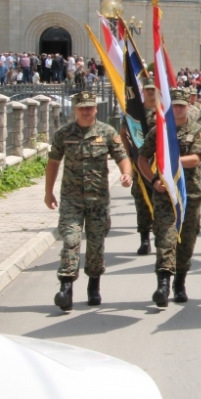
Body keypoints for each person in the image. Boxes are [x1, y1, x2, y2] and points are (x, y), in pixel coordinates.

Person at [44, 90, 133, 311]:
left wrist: (126, 174)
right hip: (71, 200)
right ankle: (66, 288)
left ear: (95, 109)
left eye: (89, 107)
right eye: (81, 108)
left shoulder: (107, 132)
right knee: (71, 241)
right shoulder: (64, 133)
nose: (85, 111)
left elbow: (122, 157)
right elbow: (53, 162)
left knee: (95, 245)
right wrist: (48, 192)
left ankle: (94, 286)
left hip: (98, 200)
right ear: (75, 109)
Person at [138, 88, 201, 307]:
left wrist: (170, 162)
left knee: (186, 241)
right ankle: (163, 285)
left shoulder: (197, 131)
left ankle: (180, 284)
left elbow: (196, 159)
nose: (177, 109)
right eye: (174, 105)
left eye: (181, 105)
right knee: (165, 239)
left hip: (189, 195)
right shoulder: (158, 131)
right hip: (165, 194)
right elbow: (142, 159)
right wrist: (153, 180)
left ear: (188, 107)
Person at [125, 78, 157, 255]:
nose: (151, 92)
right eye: (148, 89)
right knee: (142, 201)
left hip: (159, 165)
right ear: (143, 91)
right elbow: (124, 132)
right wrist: (129, 155)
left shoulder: (164, 111)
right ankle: (145, 239)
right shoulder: (136, 111)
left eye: (153, 89)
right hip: (140, 165)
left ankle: (162, 235)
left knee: (163, 201)